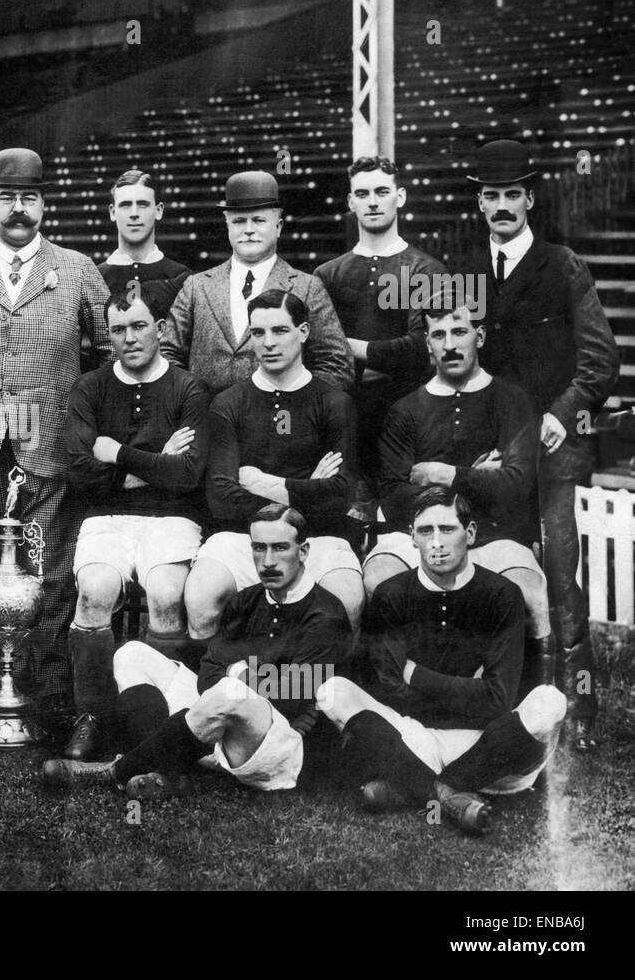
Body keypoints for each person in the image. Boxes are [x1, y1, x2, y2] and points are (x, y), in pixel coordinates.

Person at [0, 147, 114, 710]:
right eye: (7, 198)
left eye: (28, 198)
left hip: (53, 442)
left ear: (44, 204)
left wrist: (87, 424)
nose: (17, 209)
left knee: (50, 563)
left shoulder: (77, 269)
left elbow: (109, 352)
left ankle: (46, 678)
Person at [459, 139, 619, 750]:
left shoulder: (563, 264)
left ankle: (579, 709)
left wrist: (562, 412)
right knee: (497, 571)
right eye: (491, 196)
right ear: (480, 202)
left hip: (552, 453)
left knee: (558, 577)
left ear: (529, 199)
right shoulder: (467, 272)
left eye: (511, 196)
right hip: (492, 456)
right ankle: (505, 699)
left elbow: (602, 362)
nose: (501, 206)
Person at [42, 504, 351, 798]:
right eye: (259, 547)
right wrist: (240, 676)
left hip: (279, 743)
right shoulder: (248, 600)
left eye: (280, 547)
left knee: (230, 689)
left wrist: (239, 674)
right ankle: (168, 772)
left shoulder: (325, 613)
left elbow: (293, 698)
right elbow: (208, 672)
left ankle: (116, 770)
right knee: (132, 654)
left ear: (304, 551)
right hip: (221, 720)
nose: (268, 560)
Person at [316, 486, 567, 836]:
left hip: (489, 750)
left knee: (551, 702)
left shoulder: (502, 595)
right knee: (332, 691)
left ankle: (409, 787)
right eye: (425, 531)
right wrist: (470, 690)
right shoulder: (392, 595)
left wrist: (414, 673)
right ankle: (449, 793)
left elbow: (499, 699)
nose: (436, 542)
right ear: (411, 538)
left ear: (471, 533)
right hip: (415, 738)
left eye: (447, 530)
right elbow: (387, 689)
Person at [365, 304, 551, 680]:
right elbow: (395, 496)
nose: (449, 344)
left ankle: (534, 713)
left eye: (459, 332)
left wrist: (444, 474)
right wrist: (477, 479)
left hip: (492, 534)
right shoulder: (405, 411)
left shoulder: (511, 401)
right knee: (378, 579)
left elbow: (516, 487)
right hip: (413, 535)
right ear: (427, 346)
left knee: (529, 592)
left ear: (479, 337)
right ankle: (389, 697)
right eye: (438, 335)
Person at [61, 290, 207, 760]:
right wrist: (155, 461)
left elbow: (187, 476)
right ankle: (93, 715)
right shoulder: (90, 388)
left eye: (140, 326)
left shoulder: (188, 389)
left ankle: (160, 718)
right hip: (104, 518)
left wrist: (120, 455)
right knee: (94, 590)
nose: (130, 338)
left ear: (160, 328)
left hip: (171, 517)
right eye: (118, 330)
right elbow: (81, 473)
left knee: (166, 592)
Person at [186, 289, 364, 647]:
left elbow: (341, 493)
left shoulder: (334, 403)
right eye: (258, 333)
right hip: (242, 536)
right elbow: (221, 495)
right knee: (201, 596)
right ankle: (203, 693)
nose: (268, 342)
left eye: (280, 331)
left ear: (303, 331)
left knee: (347, 598)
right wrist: (306, 487)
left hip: (318, 535)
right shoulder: (228, 404)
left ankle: (329, 697)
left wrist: (269, 484)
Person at [313, 156, 447, 521]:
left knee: (410, 526)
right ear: (350, 202)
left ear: (400, 197)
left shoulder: (426, 269)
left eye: (382, 192)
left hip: (411, 425)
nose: (372, 201)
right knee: (347, 525)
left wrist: (353, 348)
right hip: (348, 427)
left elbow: (423, 347)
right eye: (363, 193)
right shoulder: (327, 275)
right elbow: (321, 353)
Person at [161, 170, 352, 397]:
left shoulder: (308, 287)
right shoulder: (196, 286)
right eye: (239, 221)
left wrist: (292, 403)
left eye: (259, 220)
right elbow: (166, 354)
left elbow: (337, 365)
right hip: (207, 421)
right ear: (227, 226)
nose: (249, 230)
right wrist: (191, 402)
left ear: (278, 226)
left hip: (279, 422)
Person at [97, 169, 191, 323]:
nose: (134, 213)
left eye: (143, 204)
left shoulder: (181, 277)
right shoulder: (95, 277)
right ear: (113, 212)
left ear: (158, 211)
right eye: (125, 205)